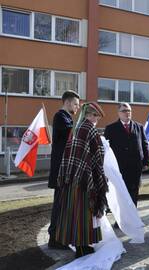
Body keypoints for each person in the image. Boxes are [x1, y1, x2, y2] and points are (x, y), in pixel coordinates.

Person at [55, 102, 108, 258]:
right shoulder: (88, 128)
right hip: (85, 178)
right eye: (95, 116)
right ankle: (83, 247)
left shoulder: (77, 127)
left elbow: (73, 153)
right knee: (84, 213)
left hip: (73, 177)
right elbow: (97, 152)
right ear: (88, 115)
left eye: (97, 116)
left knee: (73, 212)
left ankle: (80, 246)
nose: (96, 119)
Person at [47, 90, 80, 249]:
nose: (77, 107)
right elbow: (73, 133)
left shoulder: (67, 118)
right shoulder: (61, 117)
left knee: (63, 205)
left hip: (65, 171)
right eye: (75, 104)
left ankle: (59, 237)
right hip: (61, 171)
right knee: (59, 206)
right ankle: (54, 239)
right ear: (67, 103)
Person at [104, 102, 149, 206]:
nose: (127, 113)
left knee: (133, 195)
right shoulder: (111, 128)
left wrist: (146, 162)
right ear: (118, 113)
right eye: (124, 111)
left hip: (135, 168)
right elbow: (106, 149)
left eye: (129, 110)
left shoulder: (139, 127)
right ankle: (120, 221)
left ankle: (133, 220)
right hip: (119, 168)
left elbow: (145, 145)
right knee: (120, 196)